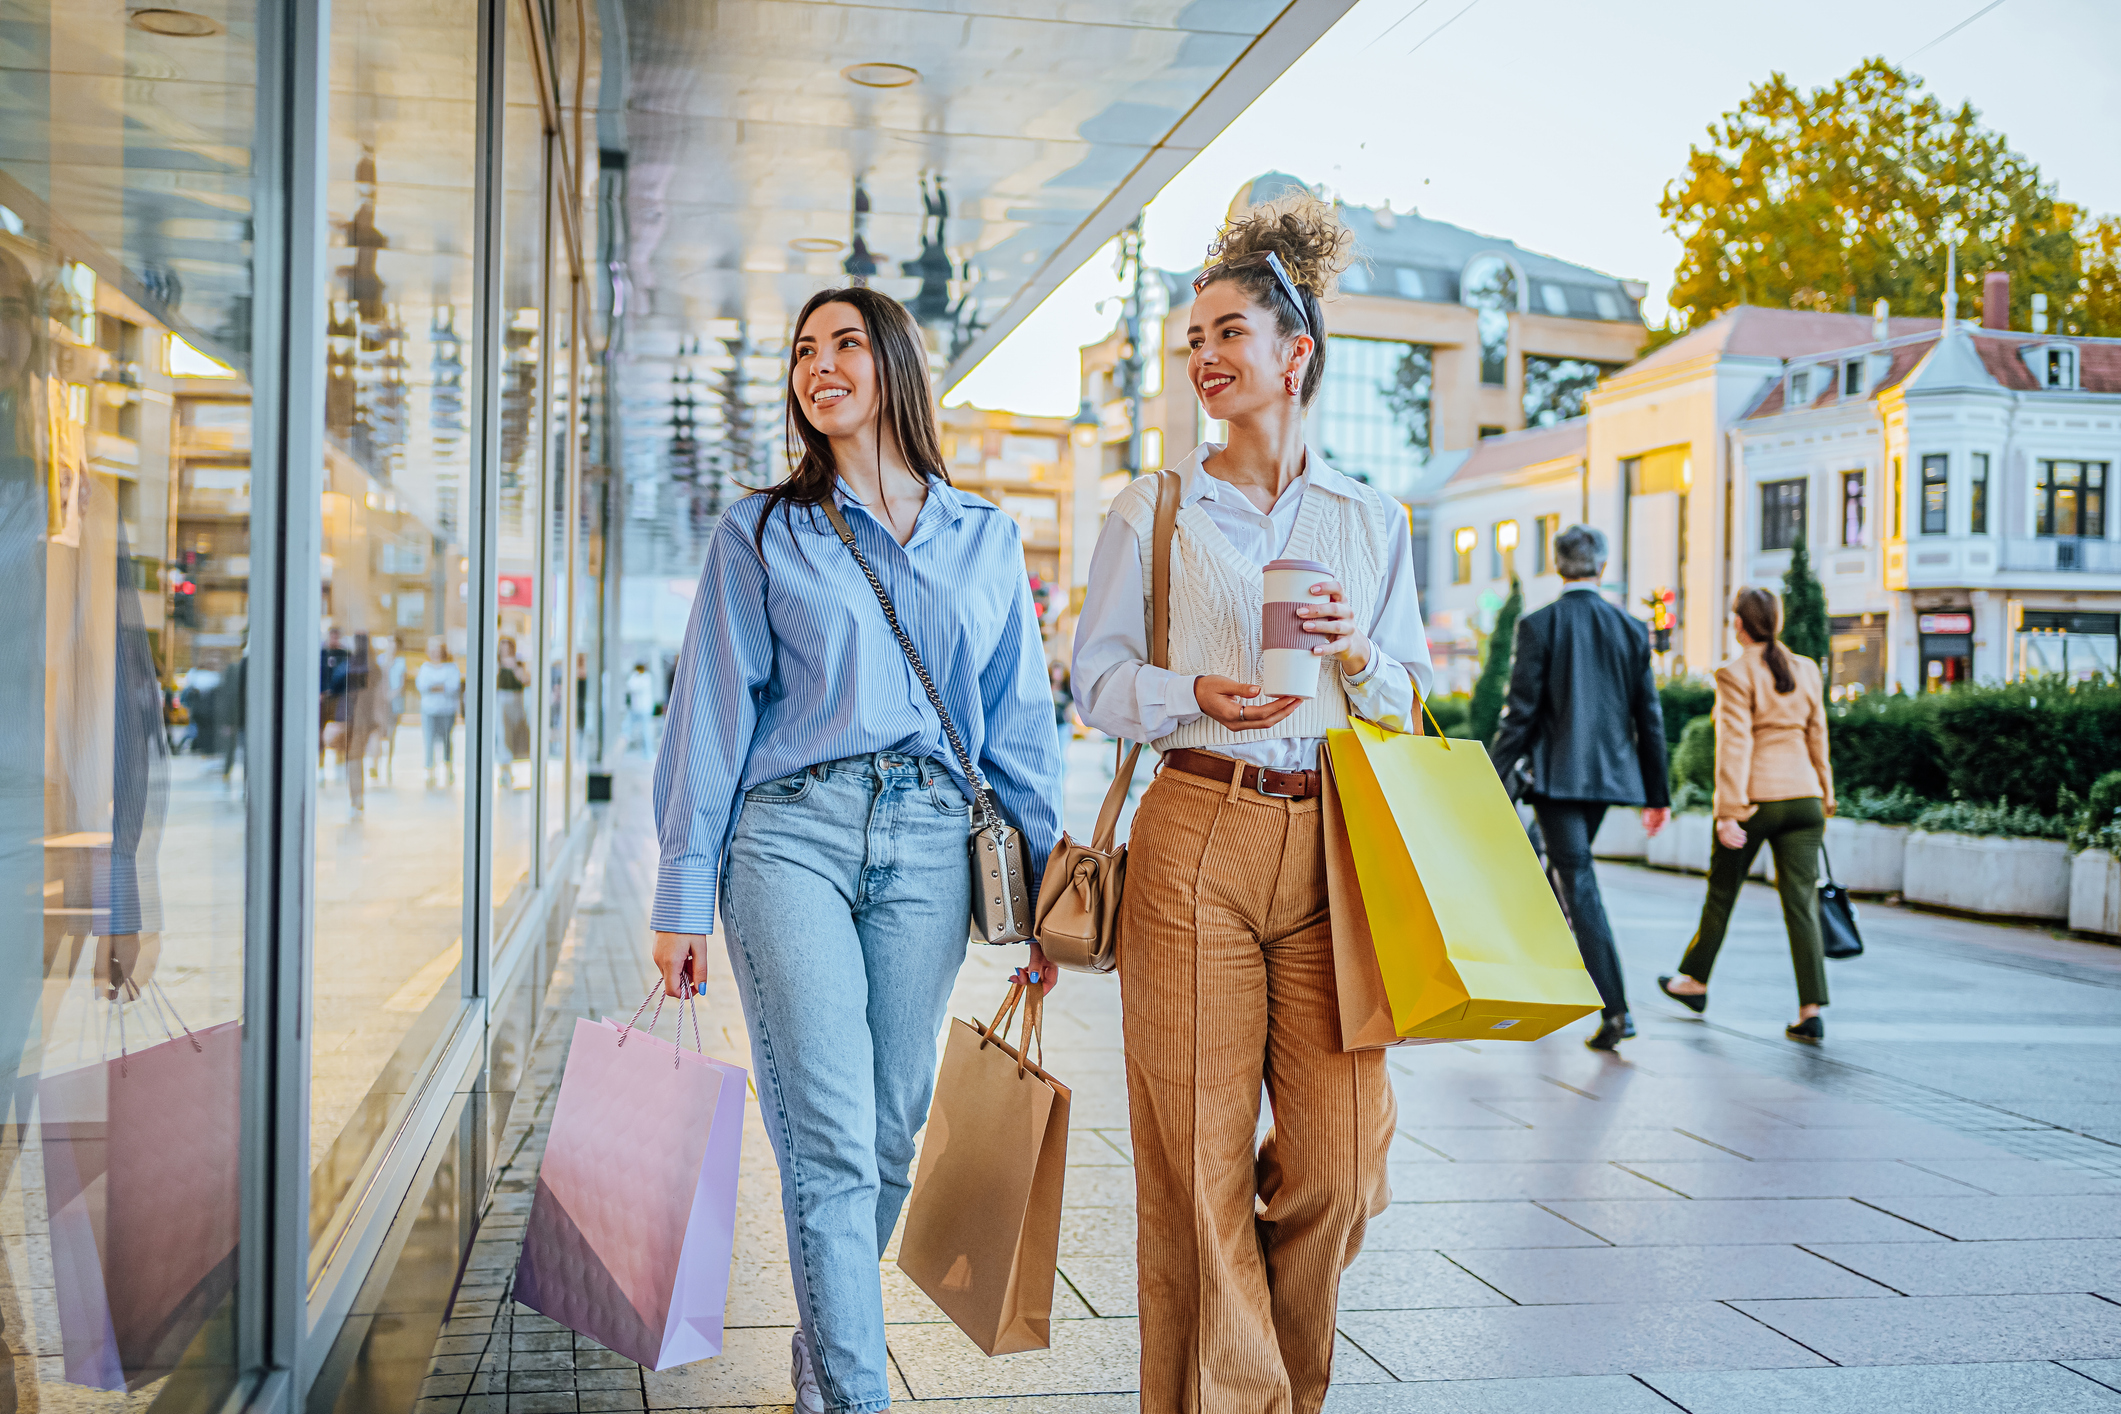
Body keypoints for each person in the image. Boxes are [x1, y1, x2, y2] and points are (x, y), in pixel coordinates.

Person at [649, 285, 1062, 1414]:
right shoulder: (763, 528)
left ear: (893, 365)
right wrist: (682, 890)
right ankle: (849, 1398)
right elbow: (710, 714)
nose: (817, 366)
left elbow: (1019, 724)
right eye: (801, 351)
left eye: (842, 345)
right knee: (828, 1136)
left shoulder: (983, 537)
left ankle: (820, 1364)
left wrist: (1043, 899)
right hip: (790, 838)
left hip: (932, 842)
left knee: (888, 1131)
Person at [1072, 191, 1432, 1414]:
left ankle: (1269, 1382)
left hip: (1332, 841)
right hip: (1194, 830)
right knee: (1196, 1164)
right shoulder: (1154, 508)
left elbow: (1410, 699)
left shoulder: (1370, 520)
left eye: (1230, 332)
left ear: (1298, 354)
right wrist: (1188, 691)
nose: (1206, 358)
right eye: (1195, 340)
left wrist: (1357, 656)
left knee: (1337, 1162)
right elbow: (1095, 683)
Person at [1488, 525, 1671, 1051]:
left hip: (1557, 779)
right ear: (1603, 566)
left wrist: (1492, 782)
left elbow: (1518, 716)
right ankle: (1541, 980)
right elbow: (1649, 719)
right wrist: (1657, 794)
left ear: (1557, 564)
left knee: (1576, 877)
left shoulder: (1540, 625)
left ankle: (1616, 1010)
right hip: (1608, 778)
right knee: (1560, 866)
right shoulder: (1632, 628)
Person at [1659, 588, 1837, 1042]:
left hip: (1757, 801)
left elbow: (1734, 746)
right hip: (1805, 799)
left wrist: (1727, 812)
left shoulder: (1735, 673)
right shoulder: (1807, 670)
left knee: (1722, 891)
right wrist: (1826, 796)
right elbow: (1819, 736)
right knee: (1801, 904)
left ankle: (1694, 982)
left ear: (1739, 624)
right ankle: (1810, 1009)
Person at [416, 638, 463, 785]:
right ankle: (430, 770)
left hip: (446, 710)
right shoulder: (425, 668)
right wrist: (440, 687)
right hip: (429, 710)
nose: (435, 653)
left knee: (447, 740)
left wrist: (433, 687)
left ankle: (448, 768)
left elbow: (453, 687)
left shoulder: (451, 668)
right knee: (429, 740)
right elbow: (423, 686)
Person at [496, 635, 529, 787]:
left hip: (516, 703)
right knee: (504, 736)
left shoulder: (519, 664)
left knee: (516, 737)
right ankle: (505, 770)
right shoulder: (496, 664)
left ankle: (512, 768)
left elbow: (525, 680)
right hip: (502, 702)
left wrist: (514, 666)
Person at [623, 661, 658, 755]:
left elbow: (633, 686)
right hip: (636, 709)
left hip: (645, 709)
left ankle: (648, 752)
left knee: (646, 731)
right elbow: (629, 685)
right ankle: (623, 749)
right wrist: (634, 675)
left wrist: (634, 675)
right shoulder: (637, 677)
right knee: (627, 729)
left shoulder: (646, 677)